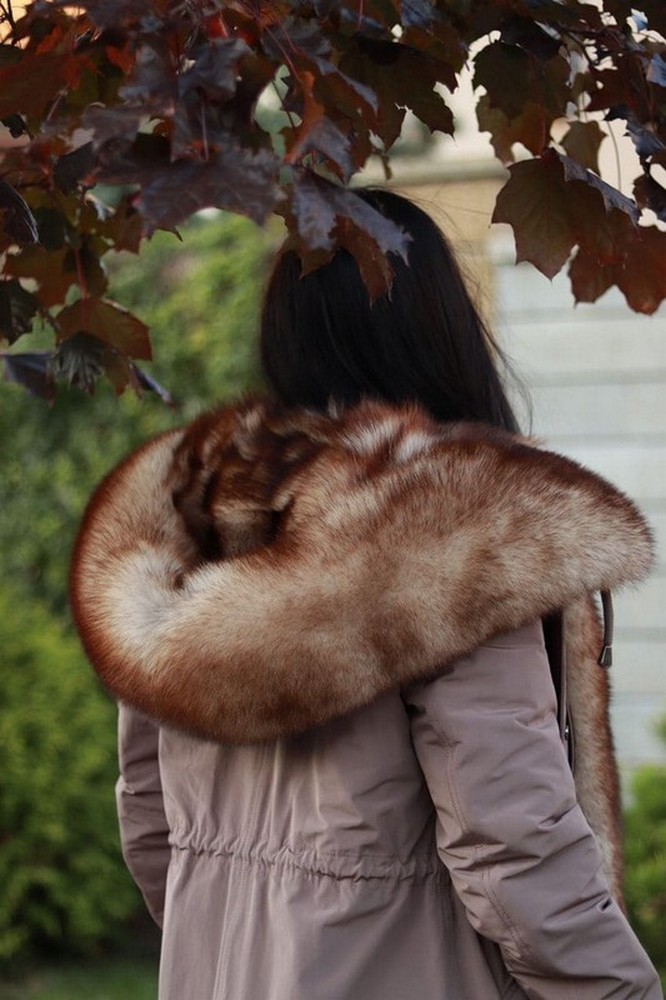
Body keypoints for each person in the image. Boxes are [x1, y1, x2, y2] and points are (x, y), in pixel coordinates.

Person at [70, 189, 662, 999]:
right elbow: (514, 845)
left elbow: (149, 818)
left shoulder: (194, 525)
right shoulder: (455, 533)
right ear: (441, 328)